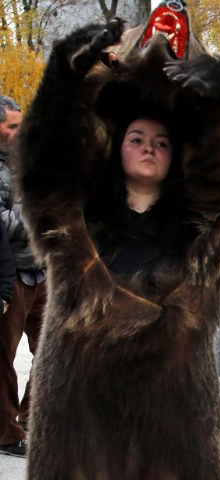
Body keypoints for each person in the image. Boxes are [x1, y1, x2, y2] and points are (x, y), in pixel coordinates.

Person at [0, 95, 47, 458]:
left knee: (53, 349)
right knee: (4, 358)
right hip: (11, 272)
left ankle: (32, 417)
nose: (19, 133)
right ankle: (7, 432)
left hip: (42, 271)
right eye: (12, 126)